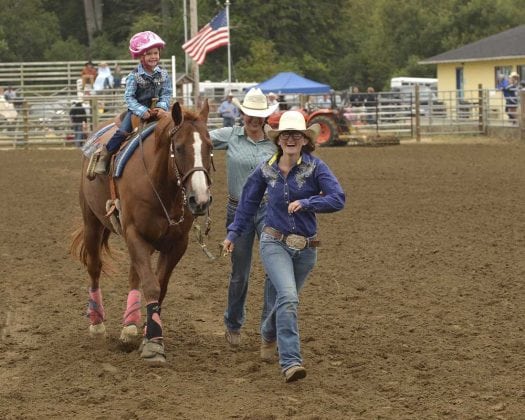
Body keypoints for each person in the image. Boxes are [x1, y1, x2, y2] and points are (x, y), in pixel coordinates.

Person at [222, 110, 345, 382]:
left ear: (304, 140)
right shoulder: (265, 169)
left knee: (285, 300)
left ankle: (267, 331)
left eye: (296, 135)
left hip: (306, 248)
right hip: (274, 242)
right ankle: (291, 361)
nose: (290, 139)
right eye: (286, 135)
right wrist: (233, 234)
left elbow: (338, 198)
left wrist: (309, 203)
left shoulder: (316, 168)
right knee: (288, 297)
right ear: (278, 140)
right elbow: (247, 204)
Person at [210, 88, 279, 347]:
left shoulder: (274, 142)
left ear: (265, 118)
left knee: (275, 270)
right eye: (249, 114)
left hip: (268, 210)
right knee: (240, 272)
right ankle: (233, 322)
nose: (253, 119)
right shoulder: (230, 136)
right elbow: (199, 138)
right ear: (242, 114)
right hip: (238, 210)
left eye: (258, 115)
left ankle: (268, 329)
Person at [94, 31, 172, 175]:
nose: (153, 56)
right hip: (138, 111)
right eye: (149, 54)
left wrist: (162, 106)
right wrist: (142, 111)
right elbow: (129, 98)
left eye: (155, 53)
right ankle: (106, 155)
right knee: (123, 132)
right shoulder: (134, 76)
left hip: (159, 110)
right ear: (141, 56)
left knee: (175, 128)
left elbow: (166, 93)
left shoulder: (164, 74)